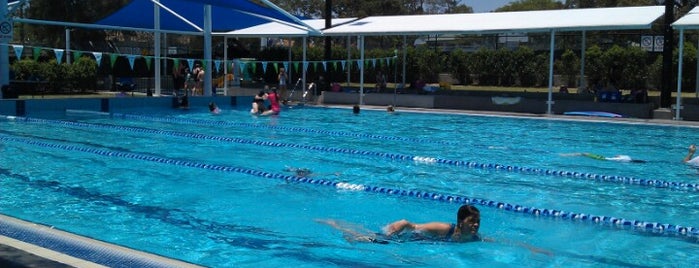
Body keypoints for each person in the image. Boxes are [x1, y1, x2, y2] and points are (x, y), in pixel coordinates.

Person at [316, 204, 482, 244]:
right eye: (472, 221)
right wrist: (402, 224)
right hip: (409, 237)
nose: (476, 225)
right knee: (370, 239)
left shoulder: (474, 238)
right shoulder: (445, 228)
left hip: (418, 243)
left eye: (478, 222)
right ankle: (334, 224)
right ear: (460, 222)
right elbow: (413, 226)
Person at [560, 152, 646, 163]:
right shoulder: (626, 160)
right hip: (603, 158)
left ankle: (565, 155)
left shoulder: (627, 157)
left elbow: (617, 155)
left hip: (603, 158)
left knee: (584, 154)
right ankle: (566, 155)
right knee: (584, 154)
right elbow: (617, 156)